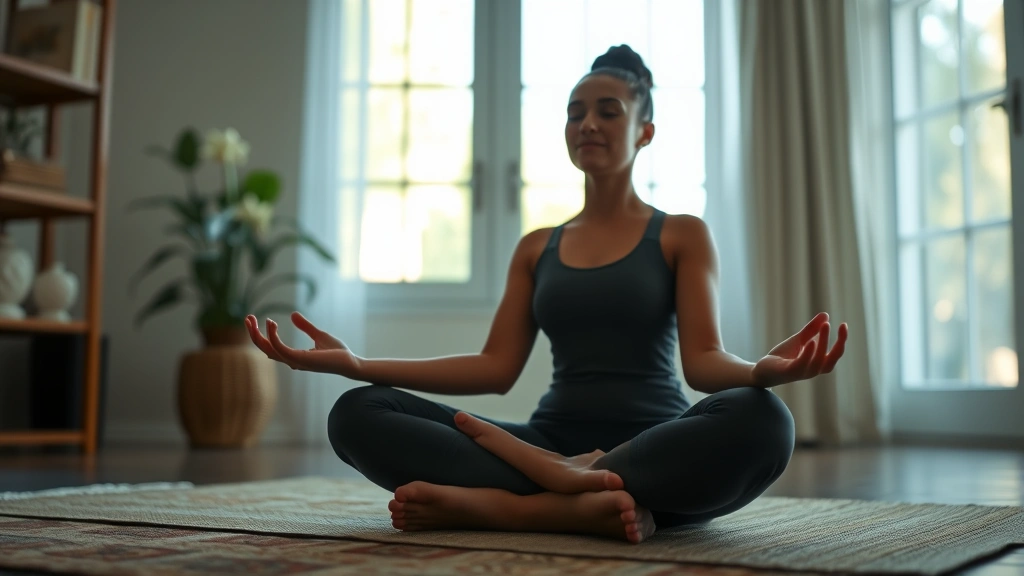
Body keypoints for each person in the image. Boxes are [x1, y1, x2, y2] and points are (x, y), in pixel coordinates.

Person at [245, 44, 849, 544]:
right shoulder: (538, 247)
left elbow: (704, 363)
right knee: (358, 412)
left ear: (645, 131)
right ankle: (576, 498)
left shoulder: (682, 233)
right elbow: (495, 367)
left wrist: (760, 372)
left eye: (609, 111)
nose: (587, 123)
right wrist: (356, 364)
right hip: (546, 440)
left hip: (655, 446)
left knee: (765, 420)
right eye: (574, 111)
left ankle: (519, 507)